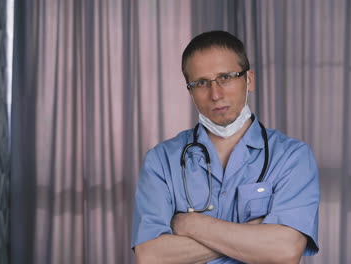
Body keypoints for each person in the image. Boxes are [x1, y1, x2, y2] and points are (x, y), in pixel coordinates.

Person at [131, 30, 320, 264]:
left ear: (249, 79)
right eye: (201, 83)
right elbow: (150, 256)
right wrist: (252, 236)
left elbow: (284, 251)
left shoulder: (293, 157)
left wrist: (190, 224)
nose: (216, 94)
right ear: (189, 90)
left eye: (226, 77)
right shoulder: (161, 160)